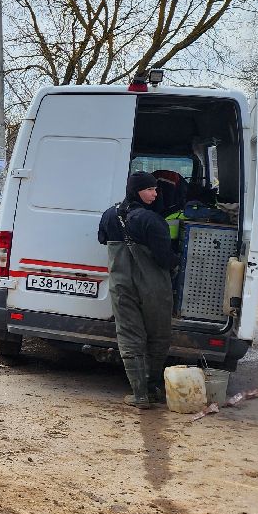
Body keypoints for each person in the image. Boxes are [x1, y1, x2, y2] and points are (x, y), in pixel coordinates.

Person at [97, 171, 177, 409]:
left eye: (155, 189)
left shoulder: (109, 215)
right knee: (158, 336)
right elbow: (164, 258)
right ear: (136, 190)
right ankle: (151, 389)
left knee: (129, 336)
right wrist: (177, 261)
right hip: (154, 287)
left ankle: (138, 394)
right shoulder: (152, 220)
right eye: (149, 189)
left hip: (121, 285)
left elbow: (102, 239)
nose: (155, 194)